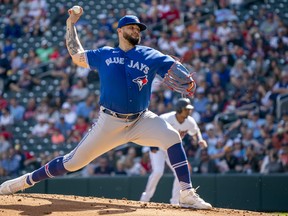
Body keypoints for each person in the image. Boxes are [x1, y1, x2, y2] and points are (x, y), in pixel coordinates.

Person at [0, 8, 212, 210]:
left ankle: (186, 192)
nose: (136, 30)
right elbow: (76, 54)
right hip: (109, 122)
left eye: (138, 28)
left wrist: (187, 75)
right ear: (119, 30)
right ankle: (24, 181)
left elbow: (175, 68)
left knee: (172, 137)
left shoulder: (151, 55)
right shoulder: (104, 54)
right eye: (131, 27)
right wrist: (70, 24)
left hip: (141, 119)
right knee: (72, 163)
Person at [140, 98, 208, 205]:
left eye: (189, 109)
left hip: (172, 149)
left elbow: (195, 131)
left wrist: (200, 140)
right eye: (186, 109)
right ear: (179, 109)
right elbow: (153, 128)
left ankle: (175, 201)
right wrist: (151, 145)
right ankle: (145, 198)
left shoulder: (189, 121)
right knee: (158, 171)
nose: (189, 111)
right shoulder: (166, 118)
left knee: (179, 174)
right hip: (159, 148)